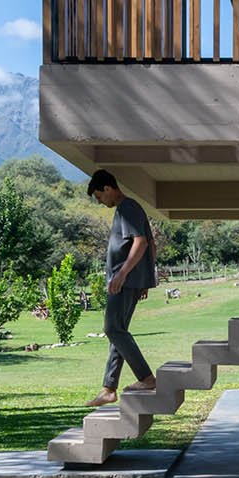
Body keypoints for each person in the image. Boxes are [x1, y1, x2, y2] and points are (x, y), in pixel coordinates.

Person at [85, 169, 158, 407]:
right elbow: (151, 245)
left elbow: (142, 242)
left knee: (113, 329)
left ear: (108, 188)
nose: (100, 201)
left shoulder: (127, 208)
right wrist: (144, 278)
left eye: (99, 196)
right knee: (119, 332)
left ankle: (146, 378)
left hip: (123, 281)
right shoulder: (128, 209)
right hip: (131, 281)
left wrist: (123, 274)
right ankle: (108, 388)